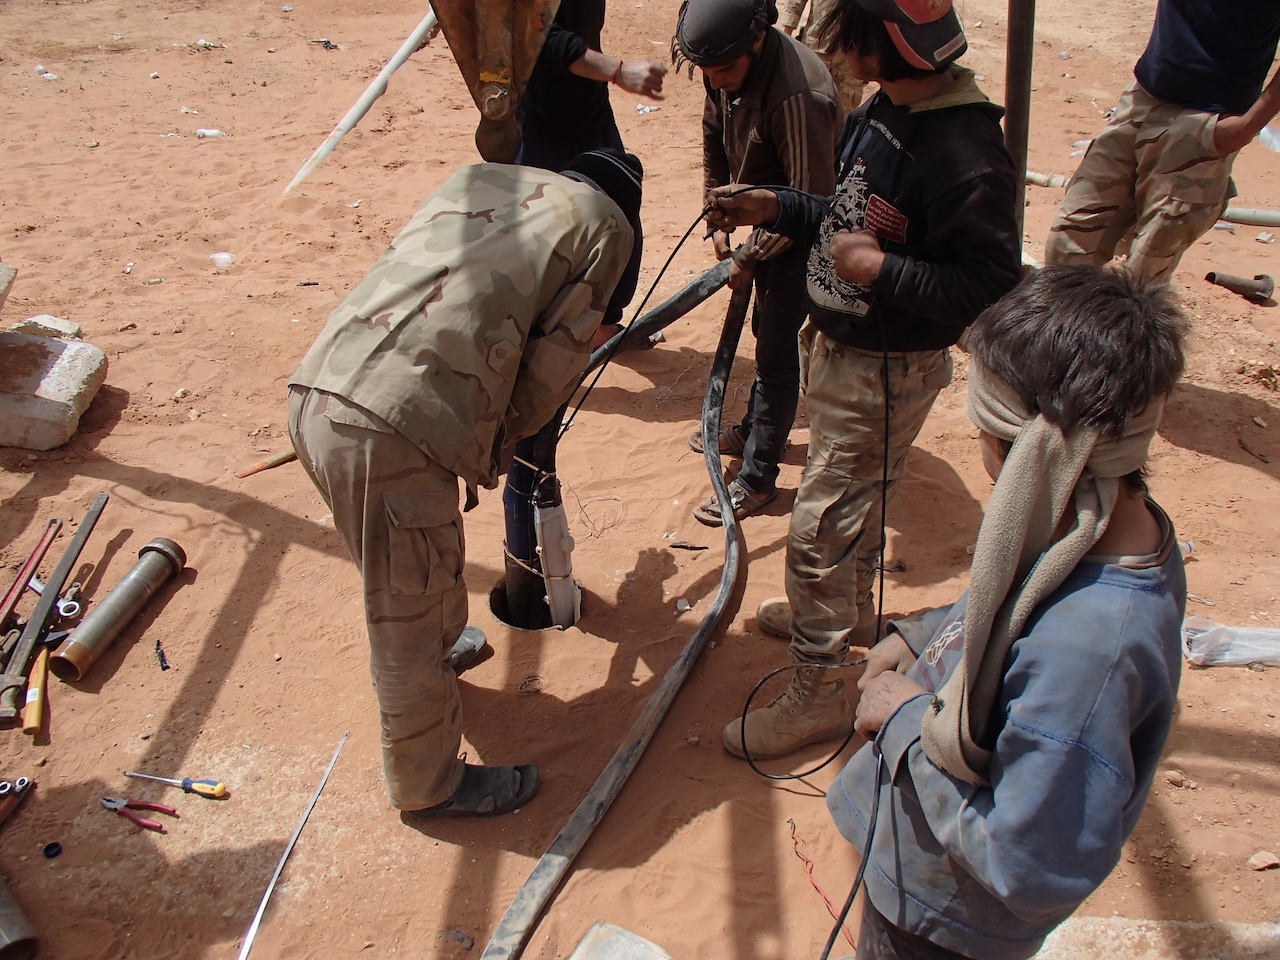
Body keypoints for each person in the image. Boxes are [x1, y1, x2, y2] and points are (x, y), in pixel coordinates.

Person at [827, 264, 1189, 960]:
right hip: (922, 870)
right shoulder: (1090, 524)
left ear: (1035, 455)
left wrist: (904, 720)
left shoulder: (1091, 653)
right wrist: (924, 634)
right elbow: (1015, 596)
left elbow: (1024, 862)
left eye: (986, 431)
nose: (981, 451)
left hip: (944, 921)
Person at [705, 0, 1021, 759]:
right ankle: (838, 617)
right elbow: (847, 214)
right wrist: (780, 204)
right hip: (839, 351)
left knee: (817, 532)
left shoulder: (965, 151)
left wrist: (878, 270)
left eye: (849, 37)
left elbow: (987, 285)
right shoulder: (884, 107)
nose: (834, 49)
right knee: (850, 508)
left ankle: (818, 690)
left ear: (887, 45)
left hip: (887, 369)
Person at [286, 151, 641, 818]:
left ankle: (443, 651)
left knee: (419, 563)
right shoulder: (607, 228)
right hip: (389, 433)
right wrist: (505, 438)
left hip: (321, 388)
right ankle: (430, 786)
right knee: (406, 617)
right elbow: (557, 362)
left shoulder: (482, 179)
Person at [671, 0, 839, 526]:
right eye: (706, 71)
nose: (715, 81)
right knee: (765, 332)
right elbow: (712, 136)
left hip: (803, 236)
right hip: (764, 227)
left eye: (724, 70)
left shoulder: (799, 97)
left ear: (758, 40)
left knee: (775, 351)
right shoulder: (720, 63)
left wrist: (748, 256)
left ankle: (758, 477)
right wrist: (715, 214)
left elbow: (809, 205)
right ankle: (753, 430)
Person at [1045, 0, 1280, 284]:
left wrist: (1246, 127)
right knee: (1066, 251)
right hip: (1141, 99)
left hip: (1204, 126)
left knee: (1143, 278)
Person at [518, 0, 666, 346]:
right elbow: (536, 33)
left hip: (590, 110)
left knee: (619, 219)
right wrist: (616, 70)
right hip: (541, 124)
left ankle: (600, 330)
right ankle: (543, 350)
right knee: (543, 237)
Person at [777, 0, 867, 112]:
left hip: (852, 56)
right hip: (818, 48)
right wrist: (787, 37)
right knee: (808, 110)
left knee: (844, 112)